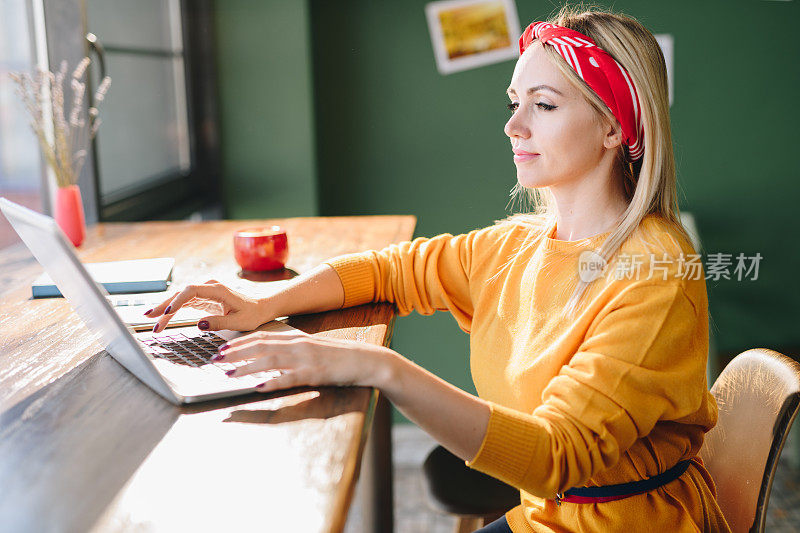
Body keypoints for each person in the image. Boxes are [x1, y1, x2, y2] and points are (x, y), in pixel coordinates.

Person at [146, 5, 731, 532]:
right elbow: (393, 270)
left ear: (614, 127)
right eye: (514, 102)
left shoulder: (654, 272)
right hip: (546, 514)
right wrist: (266, 302)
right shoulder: (521, 246)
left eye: (543, 105)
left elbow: (556, 457)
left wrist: (379, 367)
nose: (513, 126)